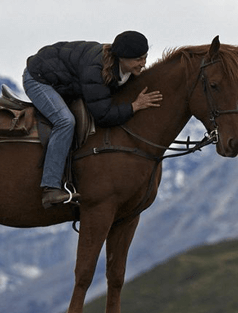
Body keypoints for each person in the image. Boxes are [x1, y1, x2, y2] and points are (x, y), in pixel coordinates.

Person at [23, 31, 163, 208]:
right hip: (39, 79)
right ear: (122, 58)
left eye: (145, 57)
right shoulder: (95, 71)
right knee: (65, 121)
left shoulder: (118, 66)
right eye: (138, 59)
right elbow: (102, 115)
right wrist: (134, 106)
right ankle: (50, 187)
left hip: (63, 76)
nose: (143, 64)